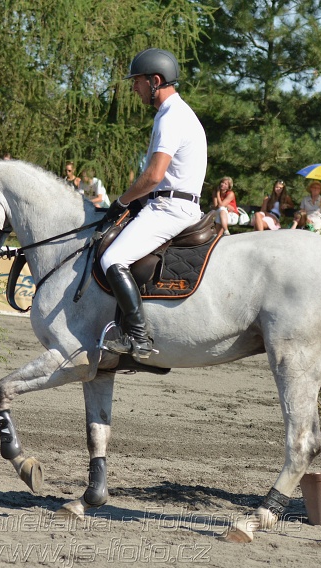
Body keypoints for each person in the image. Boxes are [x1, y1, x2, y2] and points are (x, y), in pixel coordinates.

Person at [100, 48, 207, 360]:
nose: (134, 88)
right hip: (171, 202)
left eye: (137, 82)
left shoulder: (172, 117)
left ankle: (138, 337)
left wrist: (121, 201)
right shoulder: (174, 113)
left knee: (112, 259)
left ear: (155, 81)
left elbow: (154, 175)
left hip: (170, 208)